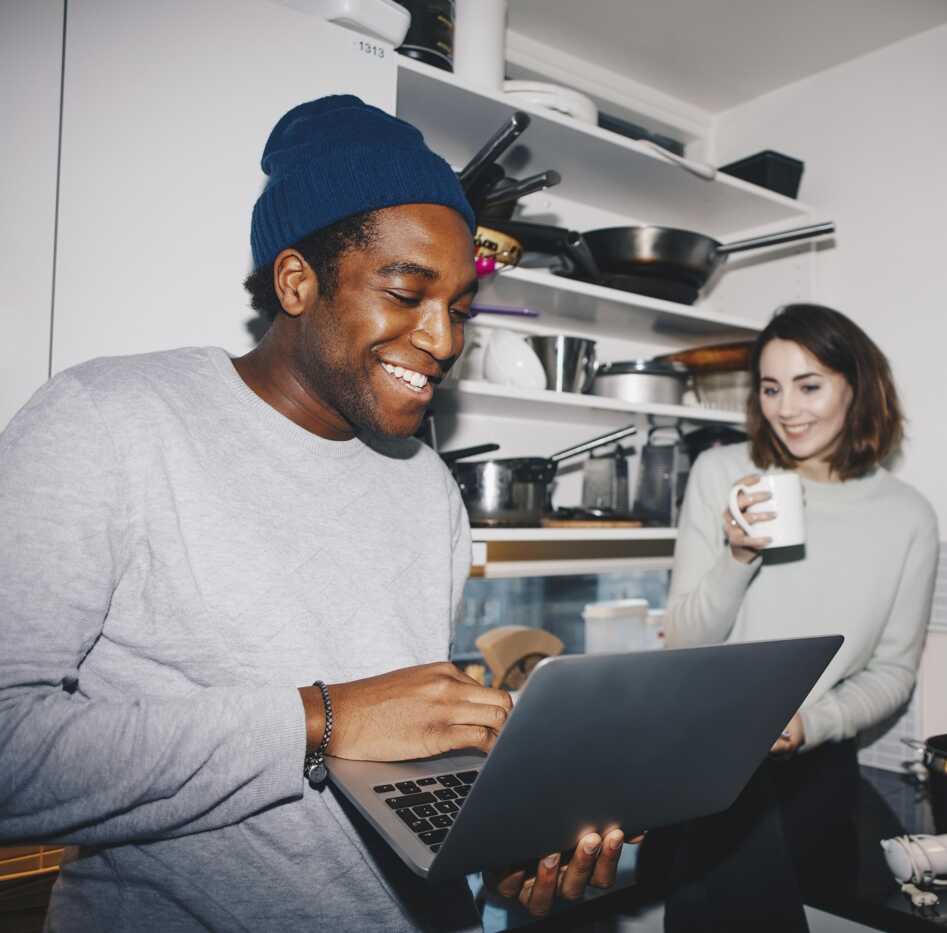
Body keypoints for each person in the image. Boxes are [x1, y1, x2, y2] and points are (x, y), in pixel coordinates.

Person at [0, 95, 625, 931]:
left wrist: (505, 845)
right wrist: (322, 716)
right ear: (298, 282)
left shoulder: (427, 485)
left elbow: (402, 748)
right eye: (407, 293)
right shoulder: (108, 419)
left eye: (461, 309)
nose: (442, 339)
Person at [650, 303, 939, 930]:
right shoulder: (723, 473)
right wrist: (737, 556)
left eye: (809, 386)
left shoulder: (907, 516)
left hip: (819, 772)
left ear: (857, 386)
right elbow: (683, 641)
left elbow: (892, 671)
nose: (787, 409)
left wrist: (814, 722)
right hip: (707, 765)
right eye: (771, 388)